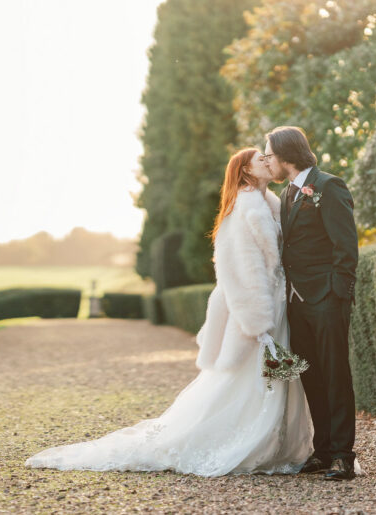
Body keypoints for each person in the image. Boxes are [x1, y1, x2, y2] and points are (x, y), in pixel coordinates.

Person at [25, 148, 312, 475]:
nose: (265, 159)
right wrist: (257, 322)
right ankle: (241, 444)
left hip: (277, 303)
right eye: (258, 158)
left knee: (273, 381)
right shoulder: (244, 208)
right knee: (244, 381)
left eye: (266, 156)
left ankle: (278, 446)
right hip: (255, 309)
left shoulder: (270, 204)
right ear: (244, 172)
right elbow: (241, 271)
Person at [263, 126, 358, 481]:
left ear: (286, 155)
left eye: (269, 154)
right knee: (310, 376)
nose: (266, 161)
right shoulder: (287, 195)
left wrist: (338, 294)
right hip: (297, 302)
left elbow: (346, 247)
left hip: (327, 300)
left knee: (335, 375)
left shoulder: (329, 186)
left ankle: (343, 456)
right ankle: (323, 451)